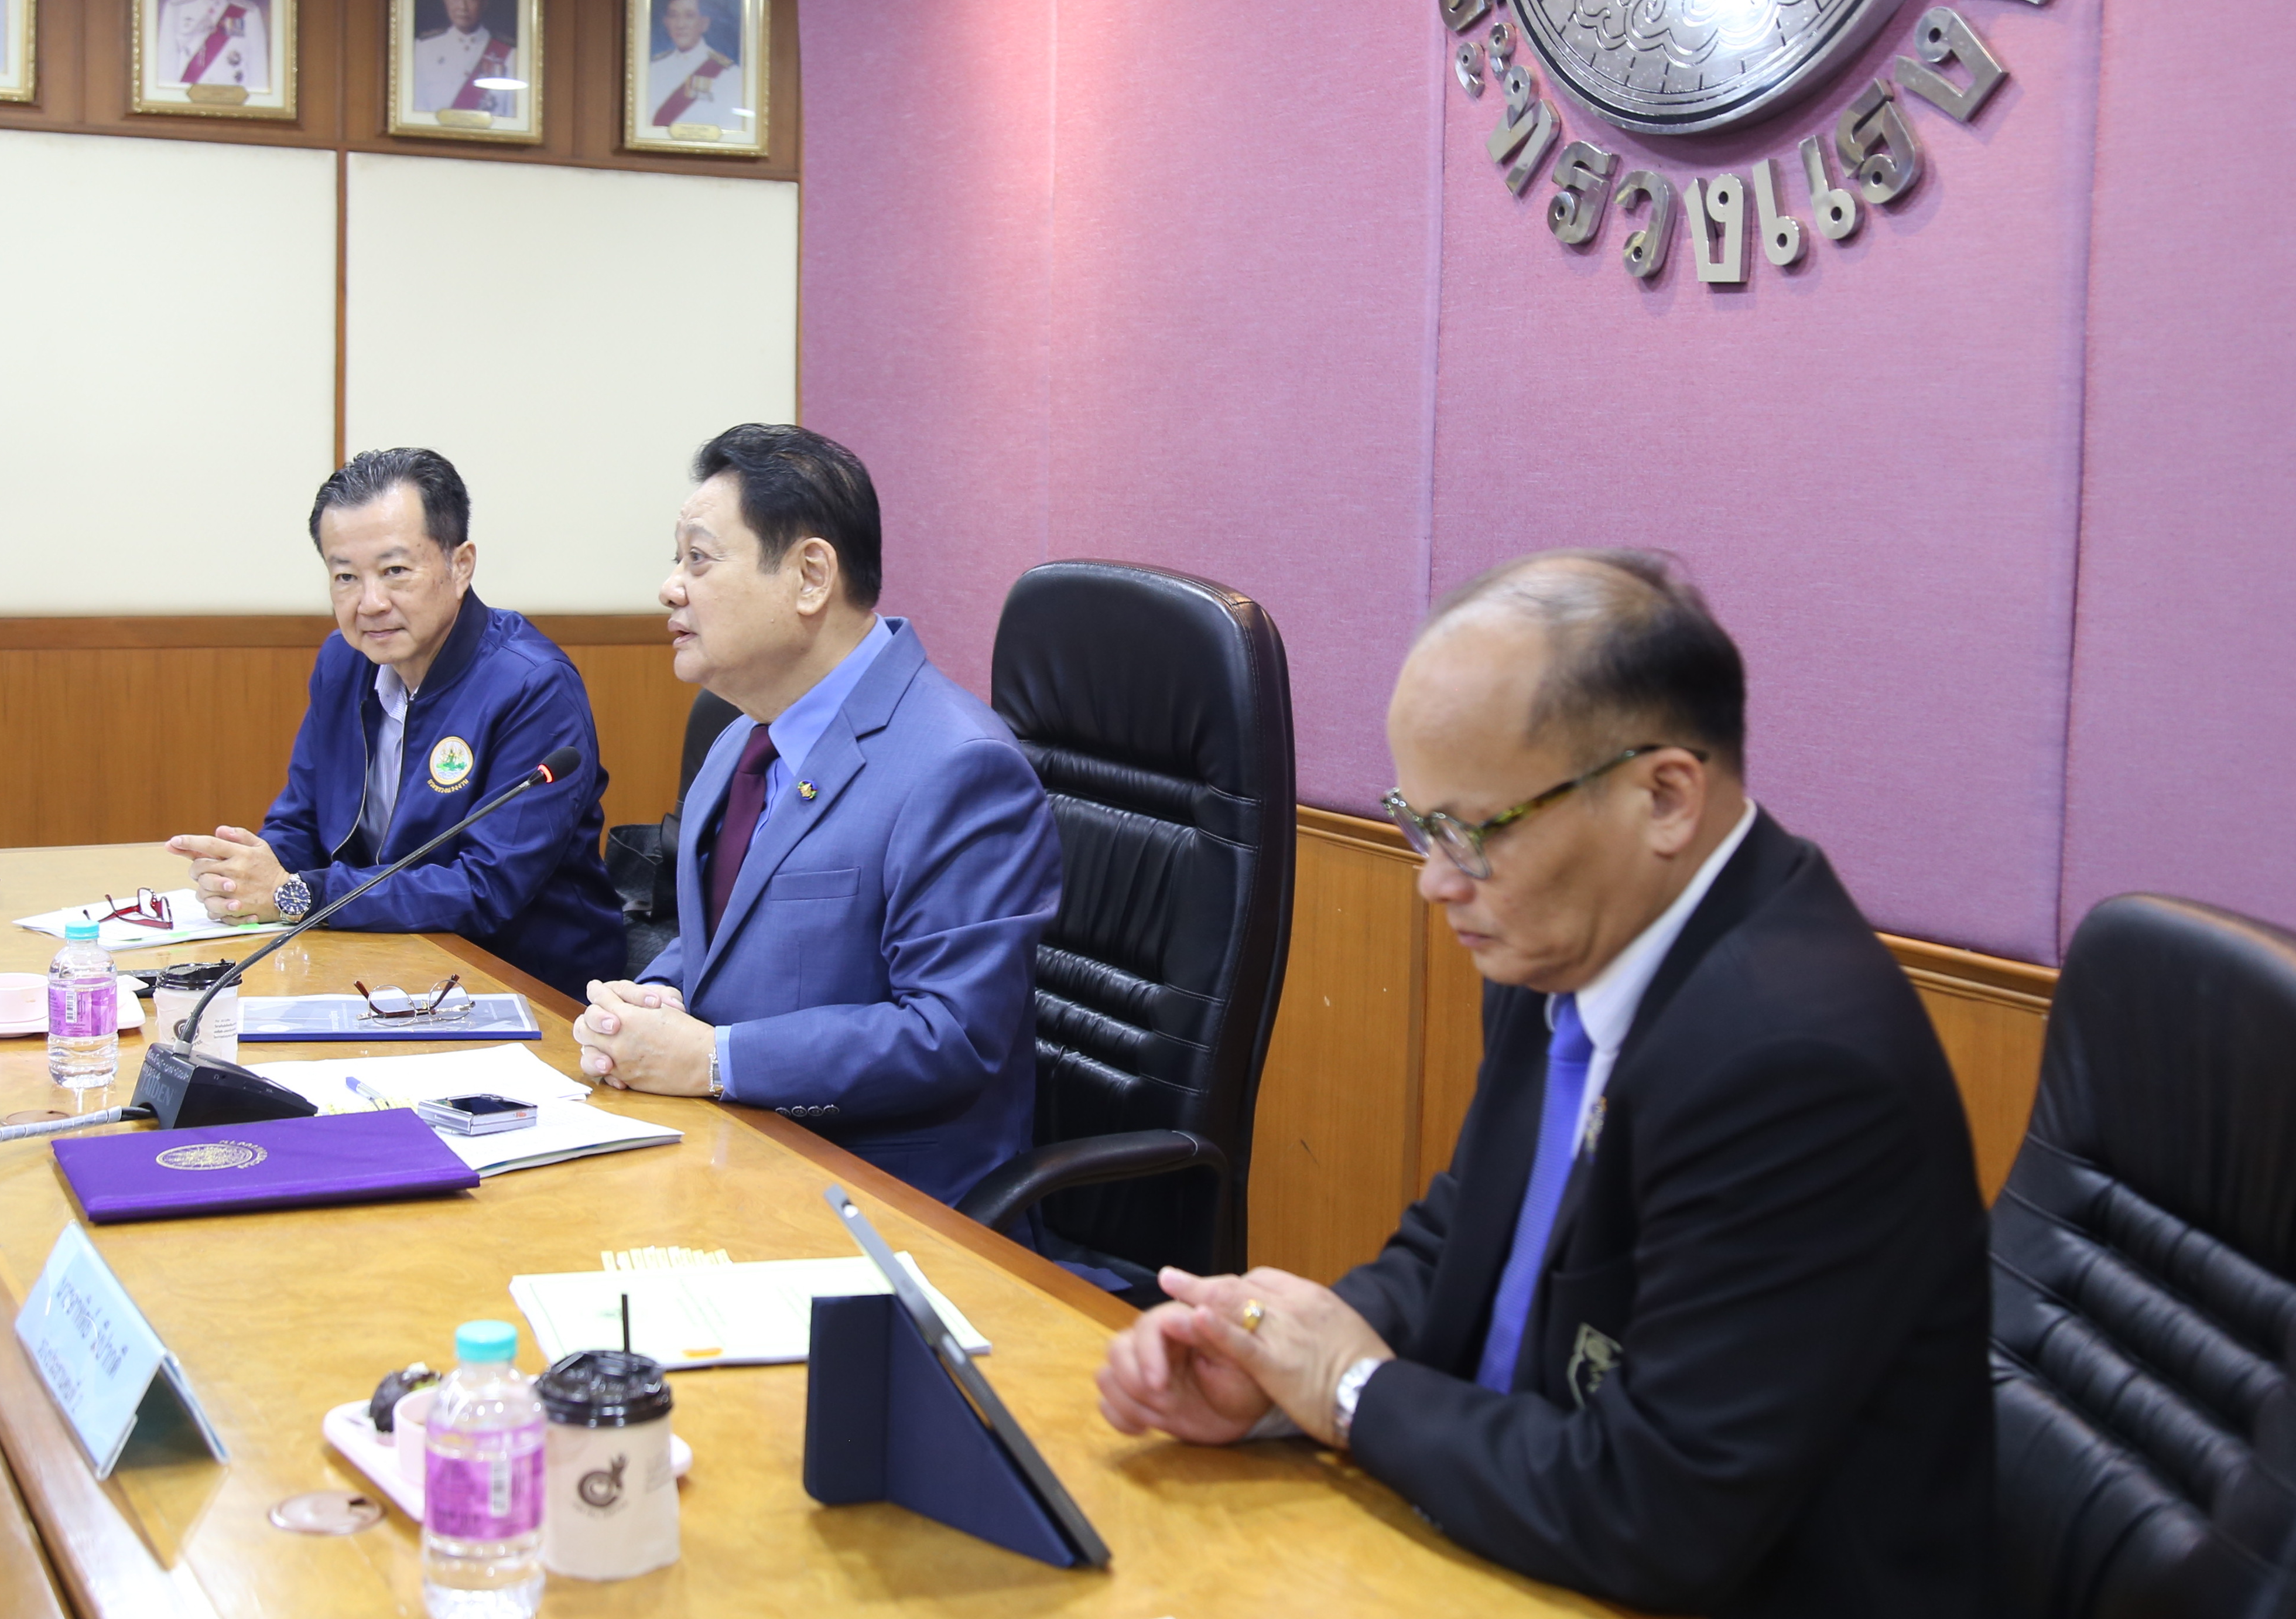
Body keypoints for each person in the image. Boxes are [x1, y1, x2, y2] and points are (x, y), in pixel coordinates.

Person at [1094, 551, 1992, 1618]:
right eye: (1419, 821)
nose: (1435, 880)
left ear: (1664, 796)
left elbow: (1656, 1511)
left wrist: (1348, 1388)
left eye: (1471, 831)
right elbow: (1463, 1240)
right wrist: (1272, 1360)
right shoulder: (1564, 940)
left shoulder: (1796, 1065)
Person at [572, 425, 1059, 1206]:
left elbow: (951, 1034)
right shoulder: (740, 737)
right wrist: (654, 999)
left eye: (698, 559)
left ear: (809, 576)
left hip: (883, 1204)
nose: (669, 587)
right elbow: (722, 942)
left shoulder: (959, 767)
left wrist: (714, 1059)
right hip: (734, 1156)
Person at [168, 448, 625, 996]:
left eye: (395, 571)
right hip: (382, 965)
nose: (370, 603)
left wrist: (301, 894)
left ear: (461, 565)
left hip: (523, 988)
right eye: (345, 576)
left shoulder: (532, 685)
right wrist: (245, 876)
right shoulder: (344, 660)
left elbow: (485, 888)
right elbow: (301, 822)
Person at [154, 0, 269, 93]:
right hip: (186, 97)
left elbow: (258, 67)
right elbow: (166, 61)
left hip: (232, 98)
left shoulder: (249, 13)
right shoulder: (176, 8)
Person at [409, 0, 517, 118]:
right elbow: (416, 110)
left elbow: (513, 115)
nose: (462, 7)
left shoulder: (510, 53)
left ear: (484, 2)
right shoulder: (424, 49)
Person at [642, 0, 742, 133]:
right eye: (674, 16)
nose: (680, 24)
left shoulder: (730, 75)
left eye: (689, 16)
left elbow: (732, 129)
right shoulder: (653, 69)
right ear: (666, 22)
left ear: (704, 23)